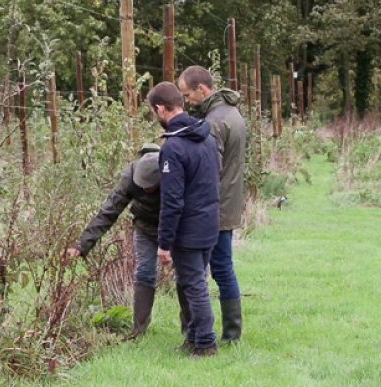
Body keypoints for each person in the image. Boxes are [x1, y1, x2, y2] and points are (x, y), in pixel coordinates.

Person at [148, 81, 221, 358]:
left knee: (195, 285)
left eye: (154, 112)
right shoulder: (207, 136)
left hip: (190, 228)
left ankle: (205, 343)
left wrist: (164, 243)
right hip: (209, 222)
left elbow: (172, 200)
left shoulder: (174, 147)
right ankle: (192, 337)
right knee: (190, 281)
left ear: (160, 108)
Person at [177, 66, 247, 343]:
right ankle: (231, 333)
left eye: (187, 95)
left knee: (205, 270)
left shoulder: (215, 122)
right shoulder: (231, 112)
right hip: (228, 202)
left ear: (201, 90)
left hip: (214, 206)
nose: (186, 101)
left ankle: (203, 333)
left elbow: (208, 168)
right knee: (222, 267)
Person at [66, 143, 162, 340]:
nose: (148, 189)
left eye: (152, 187)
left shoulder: (175, 173)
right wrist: (82, 245)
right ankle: (139, 330)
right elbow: (108, 212)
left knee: (187, 276)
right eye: (144, 186)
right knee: (144, 272)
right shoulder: (129, 179)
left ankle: (191, 332)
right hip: (145, 228)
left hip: (177, 228)